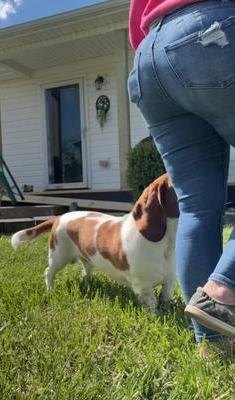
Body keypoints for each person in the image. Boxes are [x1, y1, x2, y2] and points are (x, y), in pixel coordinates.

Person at [128, 0, 235, 350]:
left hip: (148, 58)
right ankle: (224, 287)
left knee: (197, 208)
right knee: (198, 208)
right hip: (210, 30)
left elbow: (135, 21)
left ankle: (212, 345)